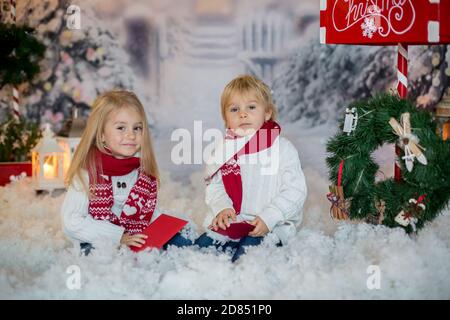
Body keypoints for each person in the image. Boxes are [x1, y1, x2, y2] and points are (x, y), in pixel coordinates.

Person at [61, 90, 192, 255]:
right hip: (97, 239)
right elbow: (71, 222)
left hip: (134, 236)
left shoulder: (141, 173)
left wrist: (165, 227)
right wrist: (119, 237)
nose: (131, 135)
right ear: (101, 134)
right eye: (121, 127)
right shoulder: (88, 173)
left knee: (182, 241)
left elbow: (146, 213)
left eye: (137, 128)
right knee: (102, 255)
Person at [195, 75, 307, 262]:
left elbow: (295, 190)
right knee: (203, 249)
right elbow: (215, 186)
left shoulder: (283, 149)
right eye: (234, 109)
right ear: (226, 119)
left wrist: (269, 217)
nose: (243, 114)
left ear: (267, 113)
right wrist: (222, 208)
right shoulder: (222, 151)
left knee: (246, 257)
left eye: (251, 107)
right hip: (234, 223)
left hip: (270, 225)